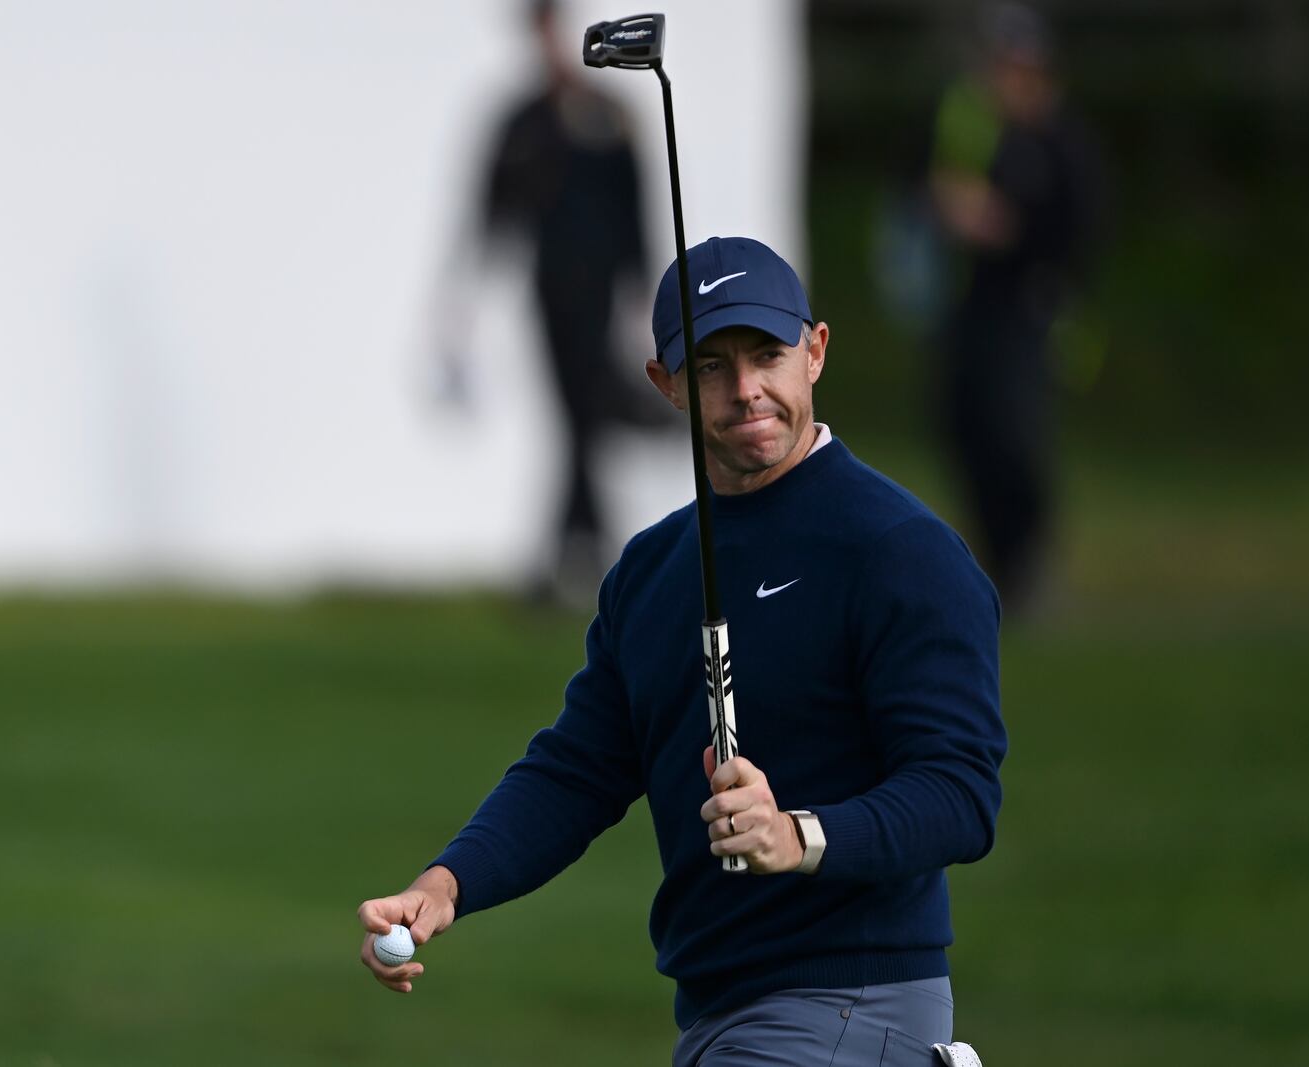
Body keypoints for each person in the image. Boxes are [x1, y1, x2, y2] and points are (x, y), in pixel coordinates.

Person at [360, 237, 1008, 1065]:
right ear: (665, 385)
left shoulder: (901, 550)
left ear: (814, 352)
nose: (746, 390)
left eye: (767, 355)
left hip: (855, 1006)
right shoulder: (652, 570)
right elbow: (578, 769)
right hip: (719, 1016)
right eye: (709, 366)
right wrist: (443, 886)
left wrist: (798, 836)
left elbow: (958, 792)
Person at [448, 0, 657, 605]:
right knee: (576, 422)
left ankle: (571, 554)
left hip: (599, 293)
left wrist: (642, 290)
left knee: (582, 421)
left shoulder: (608, 115)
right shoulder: (524, 121)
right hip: (551, 292)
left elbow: (633, 200)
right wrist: (465, 294)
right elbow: (494, 208)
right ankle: (589, 550)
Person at [927, 3, 1104, 614]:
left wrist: (1005, 226)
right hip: (973, 307)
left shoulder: (1061, 142)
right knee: (963, 424)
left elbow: (1079, 233)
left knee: (1015, 434)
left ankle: (1027, 559)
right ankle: (995, 557)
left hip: (1028, 311)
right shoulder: (978, 128)